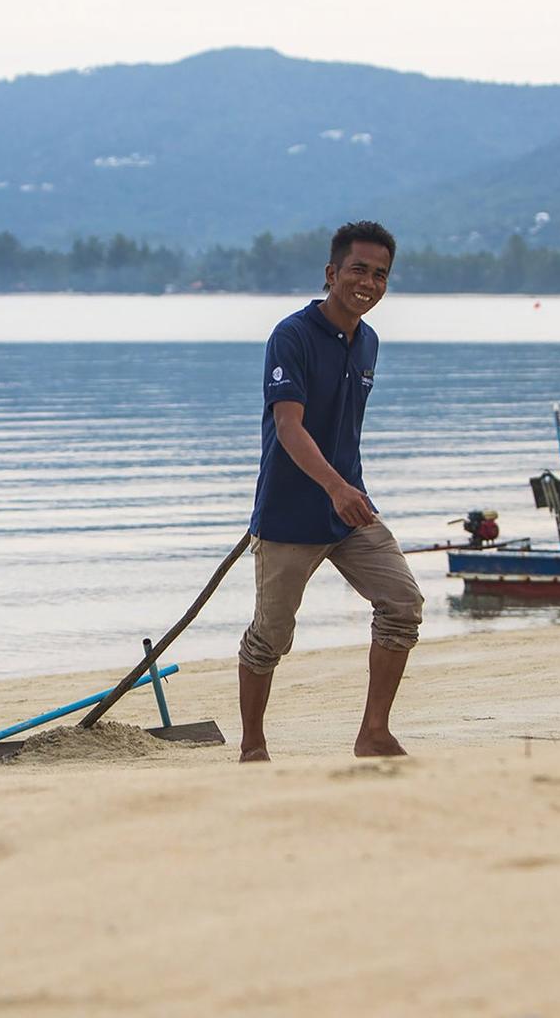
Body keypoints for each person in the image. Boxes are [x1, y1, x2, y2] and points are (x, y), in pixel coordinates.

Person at [237, 221, 424, 762]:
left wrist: (347, 492)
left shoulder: (368, 341)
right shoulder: (290, 336)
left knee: (402, 605)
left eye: (380, 274)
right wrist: (335, 486)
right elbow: (290, 427)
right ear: (331, 274)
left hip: (350, 511)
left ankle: (373, 733)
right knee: (270, 638)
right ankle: (253, 747)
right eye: (358, 270)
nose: (368, 283)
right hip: (290, 515)